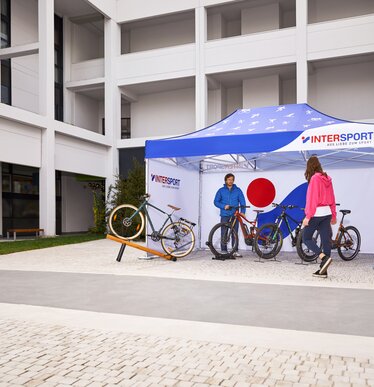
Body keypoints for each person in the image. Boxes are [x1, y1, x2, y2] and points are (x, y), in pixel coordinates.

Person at [302, 156, 337, 278]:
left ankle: (323, 257)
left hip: (316, 213)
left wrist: (308, 216)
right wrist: (333, 214)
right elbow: (332, 197)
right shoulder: (327, 178)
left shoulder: (314, 179)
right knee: (325, 240)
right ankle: (323, 270)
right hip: (327, 213)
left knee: (306, 238)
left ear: (309, 167)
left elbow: (312, 199)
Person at [214, 173, 246, 258]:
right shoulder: (221, 190)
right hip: (224, 214)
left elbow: (242, 201)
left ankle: (235, 250)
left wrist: (243, 211)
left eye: (232, 179)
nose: (230, 181)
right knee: (224, 232)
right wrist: (223, 206)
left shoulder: (238, 190)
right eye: (229, 179)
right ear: (225, 180)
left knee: (234, 233)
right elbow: (216, 202)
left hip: (235, 215)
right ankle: (224, 250)